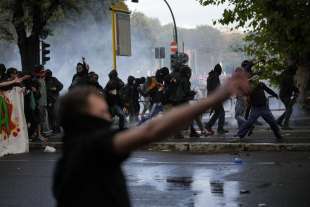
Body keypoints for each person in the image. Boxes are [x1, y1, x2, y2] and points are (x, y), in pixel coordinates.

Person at [53, 71, 249, 207]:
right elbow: (150, 131)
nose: (107, 117)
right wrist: (218, 96)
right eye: (102, 112)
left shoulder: (67, 160)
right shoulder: (91, 147)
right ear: (82, 116)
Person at [236, 75, 283, 141]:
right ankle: (240, 134)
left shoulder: (261, 85)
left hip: (264, 107)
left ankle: (278, 135)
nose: (253, 83)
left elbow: (268, 90)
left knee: (272, 122)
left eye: (254, 81)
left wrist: (274, 94)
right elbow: (246, 97)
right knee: (249, 123)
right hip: (255, 108)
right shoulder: (249, 88)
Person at [205, 64, 228, 135]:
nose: (221, 72)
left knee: (217, 113)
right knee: (222, 113)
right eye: (220, 71)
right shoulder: (215, 77)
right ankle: (220, 129)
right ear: (218, 70)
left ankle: (208, 125)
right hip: (215, 98)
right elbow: (215, 88)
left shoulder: (212, 76)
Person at [276, 65, 299, 130]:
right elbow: (290, 86)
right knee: (289, 109)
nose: (295, 72)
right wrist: (296, 90)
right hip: (285, 95)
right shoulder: (288, 77)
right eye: (295, 70)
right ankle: (285, 125)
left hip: (284, 94)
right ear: (292, 70)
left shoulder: (285, 74)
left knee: (287, 109)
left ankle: (279, 121)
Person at [45, 69, 63, 133]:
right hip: (48, 100)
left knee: (55, 114)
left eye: (49, 73)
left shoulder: (54, 79)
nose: (48, 75)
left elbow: (61, 86)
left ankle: (56, 129)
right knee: (50, 115)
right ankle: (53, 129)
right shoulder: (44, 80)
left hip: (54, 99)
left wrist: (55, 89)